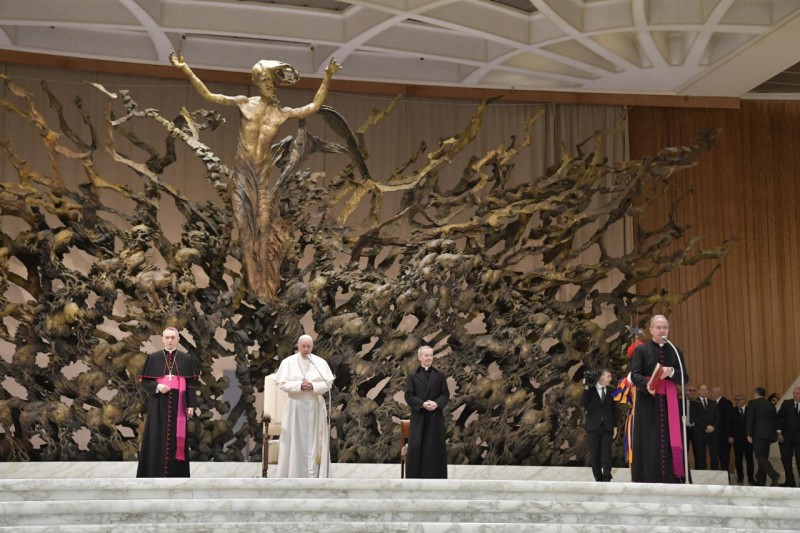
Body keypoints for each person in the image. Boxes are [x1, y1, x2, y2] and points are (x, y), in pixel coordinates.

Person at [169, 53, 341, 301]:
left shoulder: (282, 113)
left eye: (270, 80)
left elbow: (313, 107)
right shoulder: (244, 103)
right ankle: (255, 283)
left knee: (263, 225)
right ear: (257, 83)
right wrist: (185, 68)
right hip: (242, 175)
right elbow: (209, 95)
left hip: (261, 177)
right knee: (245, 230)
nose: (268, 85)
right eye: (263, 81)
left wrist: (328, 77)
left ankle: (265, 284)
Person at [629, 315, 688, 483]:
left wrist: (672, 372)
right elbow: (634, 375)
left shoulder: (675, 351)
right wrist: (647, 384)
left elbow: (685, 377)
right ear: (651, 330)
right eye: (659, 327)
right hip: (648, 401)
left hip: (670, 404)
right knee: (649, 439)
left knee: (671, 439)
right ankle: (647, 478)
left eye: (665, 327)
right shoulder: (642, 350)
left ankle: (674, 478)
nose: (662, 331)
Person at [137, 326, 199, 478]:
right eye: (167, 337)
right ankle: (154, 474)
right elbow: (145, 381)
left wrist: (191, 405)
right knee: (156, 436)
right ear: (162, 339)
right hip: (158, 402)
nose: (170, 340)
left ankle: (176, 475)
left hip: (179, 403)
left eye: (173, 337)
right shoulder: (154, 358)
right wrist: (157, 386)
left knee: (176, 440)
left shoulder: (186, 359)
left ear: (178, 340)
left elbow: (191, 384)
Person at [274, 334, 335, 478]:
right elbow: (282, 384)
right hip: (295, 407)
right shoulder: (288, 362)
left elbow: (328, 383)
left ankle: (315, 474)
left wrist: (313, 385)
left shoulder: (320, 363)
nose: (306, 349)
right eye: (303, 346)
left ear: (312, 347)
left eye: (308, 346)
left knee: (314, 442)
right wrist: (299, 385)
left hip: (315, 406)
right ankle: (293, 475)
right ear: (298, 346)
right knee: (295, 441)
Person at [404, 345, 450, 479]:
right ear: (420, 357)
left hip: (435, 417)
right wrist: (422, 404)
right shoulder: (412, 376)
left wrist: (437, 403)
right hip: (419, 417)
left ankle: (436, 478)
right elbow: (408, 396)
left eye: (431, 355)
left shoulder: (440, 375)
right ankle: (415, 478)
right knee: (417, 446)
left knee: (434, 448)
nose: (429, 358)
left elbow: (445, 394)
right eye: (426, 355)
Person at [580, 370, 618, 481]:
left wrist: (615, 426)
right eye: (608, 376)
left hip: (607, 427)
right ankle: (598, 477)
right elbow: (582, 402)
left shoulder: (612, 391)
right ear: (601, 377)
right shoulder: (590, 390)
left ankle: (606, 476)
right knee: (595, 453)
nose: (610, 379)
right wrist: (586, 388)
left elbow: (615, 410)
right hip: (593, 427)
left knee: (607, 453)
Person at [746, 386, 780, 486]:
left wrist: (748, 434)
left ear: (756, 393)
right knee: (763, 457)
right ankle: (761, 481)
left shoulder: (752, 403)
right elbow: (775, 420)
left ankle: (774, 475)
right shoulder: (770, 405)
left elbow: (750, 418)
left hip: (759, 434)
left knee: (759, 455)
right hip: (769, 435)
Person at [728, 393, 755, 485]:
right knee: (738, 459)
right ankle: (740, 477)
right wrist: (730, 436)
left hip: (748, 439)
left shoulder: (750, 410)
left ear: (744, 400)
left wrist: (752, 436)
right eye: (735, 400)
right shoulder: (732, 411)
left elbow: (754, 424)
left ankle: (750, 477)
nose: (736, 401)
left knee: (749, 459)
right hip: (737, 439)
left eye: (738, 400)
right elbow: (729, 425)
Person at [691, 384, 719, 470]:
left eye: (706, 390)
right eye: (702, 390)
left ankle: (715, 475)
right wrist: (705, 427)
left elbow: (717, 417)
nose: (705, 391)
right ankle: (703, 475)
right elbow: (694, 417)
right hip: (700, 433)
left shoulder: (713, 402)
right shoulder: (694, 402)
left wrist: (713, 427)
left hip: (713, 433)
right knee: (701, 456)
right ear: (698, 391)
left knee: (714, 455)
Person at [776, 386, 800, 487]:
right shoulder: (786, 403)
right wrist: (779, 433)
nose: (794, 395)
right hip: (785, 438)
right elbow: (778, 418)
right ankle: (790, 482)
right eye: (794, 393)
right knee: (786, 460)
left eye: (797, 393)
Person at [711, 386, 734, 473]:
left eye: (712, 392)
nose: (711, 394)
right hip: (714, 436)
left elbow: (729, 420)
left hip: (724, 436)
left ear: (718, 393)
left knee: (724, 457)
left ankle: (725, 475)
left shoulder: (727, 403)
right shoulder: (712, 403)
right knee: (715, 456)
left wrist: (730, 435)